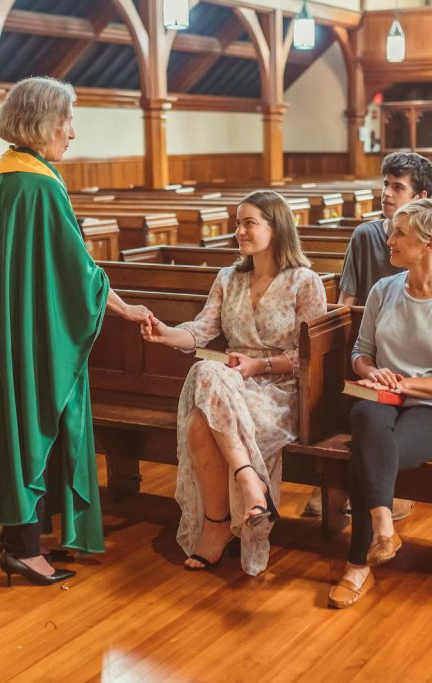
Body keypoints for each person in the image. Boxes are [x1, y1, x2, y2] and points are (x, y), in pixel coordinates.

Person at [0, 77, 151, 587]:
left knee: (16, 422)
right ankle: (24, 550)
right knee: (37, 421)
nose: (72, 132)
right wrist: (124, 308)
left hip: (4, 329)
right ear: (43, 122)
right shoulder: (39, 184)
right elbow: (78, 271)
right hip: (34, 336)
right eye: (67, 120)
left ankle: (16, 540)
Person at [141, 190, 328, 575]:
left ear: (276, 228)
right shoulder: (228, 278)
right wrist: (166, 333)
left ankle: (221, 521)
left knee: (202, 406)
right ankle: (245, 491)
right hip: (230, 385)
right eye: (237, 223)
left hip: (279, 392)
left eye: (248, 223)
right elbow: (201, 331)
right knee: (207, 374)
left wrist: (259, 367)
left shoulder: (305, 282)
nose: (238, 231)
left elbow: (311, 358)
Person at [328, 198, 432, 608]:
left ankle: (359, 565)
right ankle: (383, 525)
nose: (389, 239)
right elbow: (361, 352)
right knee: (367, 418)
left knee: (371, 450)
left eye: (399, 234)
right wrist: (371, 371)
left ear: (428, 243)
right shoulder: (383, 289)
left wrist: (407, 384)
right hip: (381, 397)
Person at [302, 151, 432, 520]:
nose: (386, 194)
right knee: (348, 390)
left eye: (397, 187)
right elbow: (345, 302)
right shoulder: (364, 235)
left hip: (420, 353)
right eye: (384, 185)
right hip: (371, 344)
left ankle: (385, 484)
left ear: (422, 196)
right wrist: (357, 357)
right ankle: (351, 484)